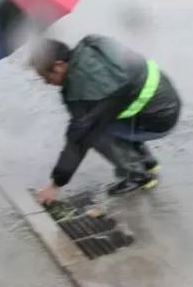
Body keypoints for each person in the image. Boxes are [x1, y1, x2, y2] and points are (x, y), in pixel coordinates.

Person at [30, 35, 182, 205]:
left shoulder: (82, 91)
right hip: (167, 101)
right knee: (107, 113)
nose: (46, 83)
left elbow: (78, 141)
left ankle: (139, 176)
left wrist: (56, 184)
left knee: (95, 132)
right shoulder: (92, 43)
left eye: (46, 77)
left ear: (58, 66)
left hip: (158, 120)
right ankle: (147, 161)